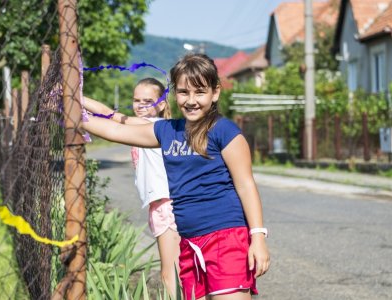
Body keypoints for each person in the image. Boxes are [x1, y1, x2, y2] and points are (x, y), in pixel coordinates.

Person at [81, 53, 270, 300]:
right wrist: (72, 113)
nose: (191, 100)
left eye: (199, 92)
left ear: (215, 93)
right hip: (189, 242)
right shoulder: (168, 131)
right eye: (183, 92)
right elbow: (116, 129)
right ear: (174, 94)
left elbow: (246, 186)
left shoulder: (225, 132)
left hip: (226, 240)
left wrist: (258, 238)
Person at [83, 77, 181, 297]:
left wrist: (71, 102)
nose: (141, 105)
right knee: (178, 269)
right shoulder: (153, 127)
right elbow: (109, 114)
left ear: (162, 103)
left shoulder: (153, 125)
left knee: (170, 273)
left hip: (166, 206)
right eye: (137, 100)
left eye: (148, 100)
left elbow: (110, 115)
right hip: (160, 206)